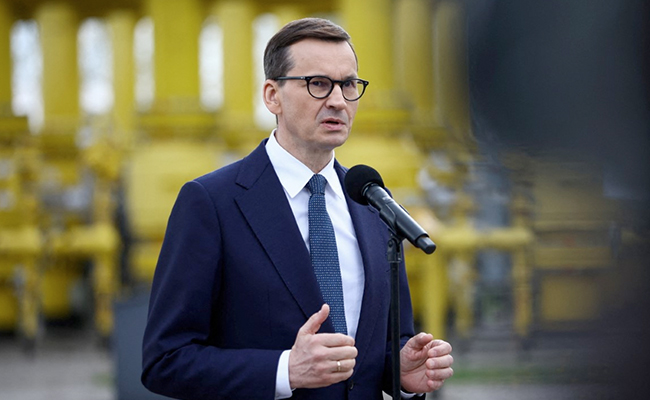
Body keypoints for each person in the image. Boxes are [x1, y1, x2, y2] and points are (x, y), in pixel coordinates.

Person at [141, 17, 453, 400]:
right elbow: (165, 360)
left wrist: (402, 372)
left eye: (349, 84)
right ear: (272, 95)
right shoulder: (211, 203)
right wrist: (284, 371)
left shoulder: (373, 202)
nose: (338, 100)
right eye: (318, 84)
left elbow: (386, 344)